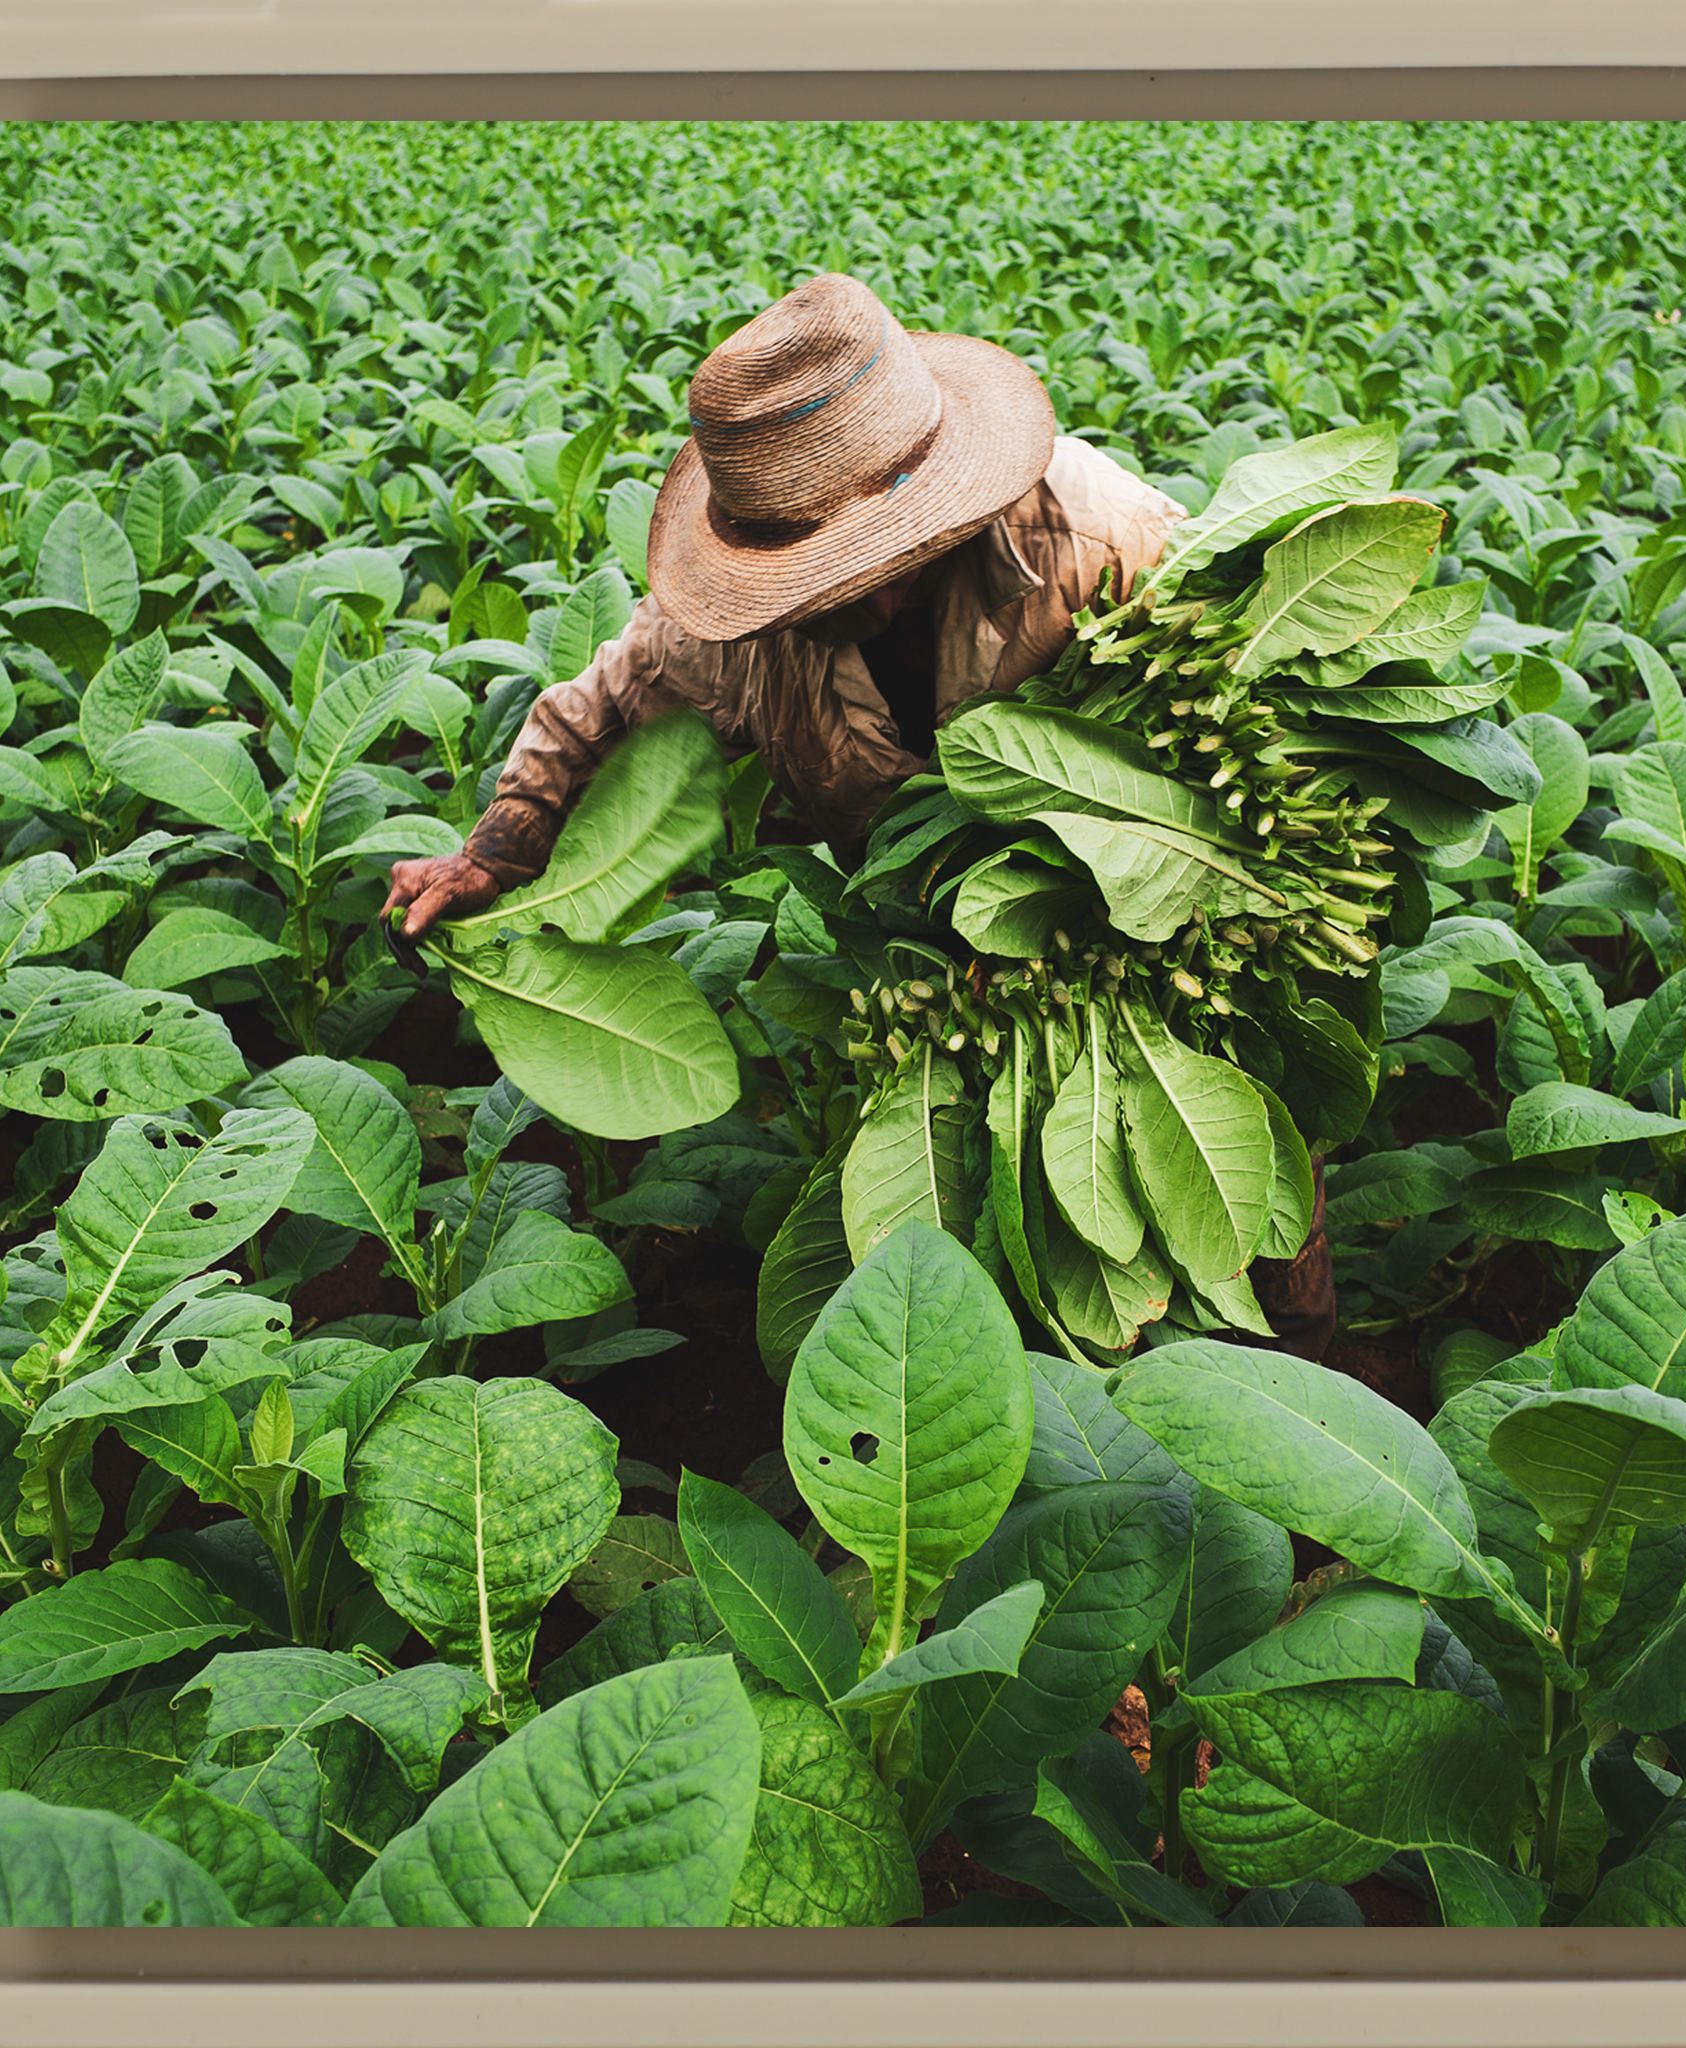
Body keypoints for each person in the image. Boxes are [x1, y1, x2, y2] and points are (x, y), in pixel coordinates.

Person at [382, 272, 1335, 1358]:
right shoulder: (731, 621)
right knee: (993, 1213)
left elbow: (1257, 725)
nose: (862, 593)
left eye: (883, 555)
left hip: (1149, 930)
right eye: (818, 573)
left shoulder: (1107, 541)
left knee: (1238, 1174)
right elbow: (598, 704)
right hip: (929, 950)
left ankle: (1293, 1381)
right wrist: (492, 851)